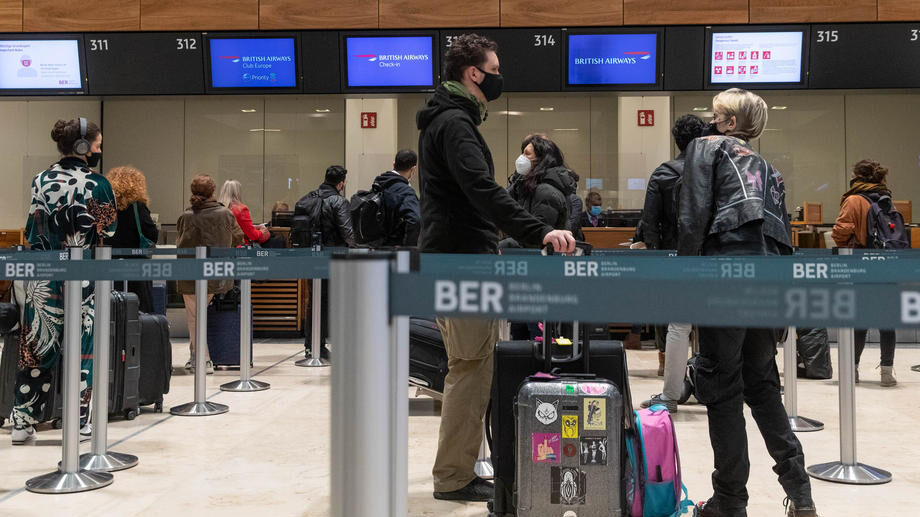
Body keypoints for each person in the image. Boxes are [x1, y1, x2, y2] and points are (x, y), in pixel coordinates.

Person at [415, 32, 574, 502]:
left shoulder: (447, 120)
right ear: (474, 74)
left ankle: (458, 469)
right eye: (495, 68)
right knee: (470, 365)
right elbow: (482, 191)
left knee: (470, 363)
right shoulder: (455, 125)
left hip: (455, 254)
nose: (501, 76)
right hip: (461, 258)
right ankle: (454, 476)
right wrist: (538, 231)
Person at [678, 88, 818, 517]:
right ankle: (801, 494)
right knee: (763, 387)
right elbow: (782, 234)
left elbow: (693, 213)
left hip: (724, 276)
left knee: (721, 387)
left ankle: (729, 501)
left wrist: (686, 276)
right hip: (767, 279)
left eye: (715, 112)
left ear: (730, 122)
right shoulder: (768, 168)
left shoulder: (705, 147)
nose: (708, 118)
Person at [12, 118, 117, 445]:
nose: (99, 149)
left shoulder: (40, 180)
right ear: (84, 147)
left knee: (37, 348)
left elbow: (33, 230)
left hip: (42, 277)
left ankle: (22, 421)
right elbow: (108, 232)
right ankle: (79, 420)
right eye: (97, 144)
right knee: (83, 349)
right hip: (83, 276)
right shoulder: (98, 184)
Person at [636, 114, 706, 412]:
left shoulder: (664, 173)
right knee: (716, 325)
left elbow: (649, 222)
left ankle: (671, 395)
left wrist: (655, 255)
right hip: (711, 257)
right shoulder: (713, 172)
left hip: (675, 258)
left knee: (678, 327)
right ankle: (715, 387)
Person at [832, 159, 898, 386]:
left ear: (857, 176)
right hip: (887, 265)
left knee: (860, 320)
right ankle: (886, 373)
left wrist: (844, 243)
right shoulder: (887, 199)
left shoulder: (854, 199)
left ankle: (853, 370)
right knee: (887, 321)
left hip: (862, 263)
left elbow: (841, 230)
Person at [176, 175, 241, 374]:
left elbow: (180, 243)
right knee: (198, 315)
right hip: (216, 272)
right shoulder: (225, 214)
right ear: (212, 191)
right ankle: (197, 356)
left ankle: (201, 358)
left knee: (194, 316)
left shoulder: (186, 216)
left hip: (189, 271)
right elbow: (238, 237)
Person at [106, 166, 159, 313]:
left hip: (109, 264)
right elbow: (152, 234)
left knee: (111, 305)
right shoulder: (138, 207)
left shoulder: (105, 207)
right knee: (138, 308)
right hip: (136, 266)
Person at [370, 149, 421, 247]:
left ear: (394, 164)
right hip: (394, 248)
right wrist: (408, 248)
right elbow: (415, 220)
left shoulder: (378, 184)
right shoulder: (406, 191)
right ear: (413, 169)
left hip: (376, 246)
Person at [219, 179, 286, 248]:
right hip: (239, 248)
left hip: (222, 247)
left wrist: (252, 227)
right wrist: (262, 231)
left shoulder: (219, 209)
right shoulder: (241, 209)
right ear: (238, 192)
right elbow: (252, 235)